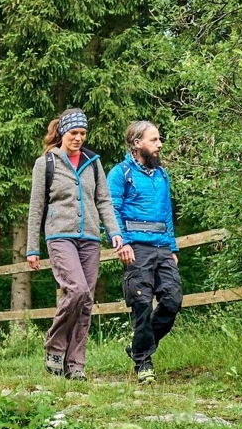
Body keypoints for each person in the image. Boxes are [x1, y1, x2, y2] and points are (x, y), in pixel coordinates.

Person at [26, 109, 123, 381]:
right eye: (73, 133)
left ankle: (75, 363)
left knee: (86, 301)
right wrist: (32, 248)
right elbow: (36, 208)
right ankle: (55, 345)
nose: (78, 138)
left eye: (82, 133)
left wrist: (114, 232)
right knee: (76, 290)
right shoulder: (46, 163)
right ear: (62, 134)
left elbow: (103, 200)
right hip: (59, 236)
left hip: (91, 237)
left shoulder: (93, 162)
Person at [107, 121, 182, 384]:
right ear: (137, 143)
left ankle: (138, 347)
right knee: (141, 303)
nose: (160, 144)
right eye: (154, 140)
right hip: (136, 247)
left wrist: (172, 247)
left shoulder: (162, 175)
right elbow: (111, 211)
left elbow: (167, 213)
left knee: (172, 300)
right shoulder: (120, 173)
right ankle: (144, 363)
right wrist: (122, 243)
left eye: (159, 139)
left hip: (162, 246)